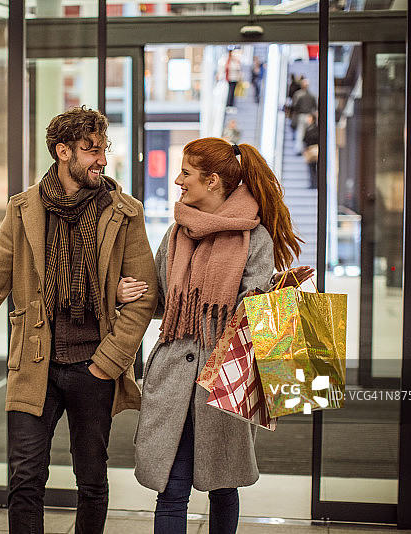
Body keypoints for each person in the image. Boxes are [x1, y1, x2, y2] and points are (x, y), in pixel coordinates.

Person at [0, 106, 157, 534]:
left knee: (92, 482)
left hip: (94, 366)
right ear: (63, 151)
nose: (101, 159)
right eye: (91, 150)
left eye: (103, 149)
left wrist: (111, 360)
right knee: (25, 480)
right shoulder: (24, 209)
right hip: (35, 364)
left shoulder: (124, 212)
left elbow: (144, 296)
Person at [130, 138, 306, 534]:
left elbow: (250, 314)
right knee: (172, 489)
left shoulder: (253, 239)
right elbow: (162, 303)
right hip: (173, 378)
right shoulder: (176, 234)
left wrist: (271, 297)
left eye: (186, 174)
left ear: (211, 181)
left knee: (223, 487)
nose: (178, 180)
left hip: (223, 384)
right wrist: (133, 292)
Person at [291, 78, 318, 155]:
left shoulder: (298, 94)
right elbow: (315, 108)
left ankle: (299, 149)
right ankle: (302, 149)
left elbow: (295, 106)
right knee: (304, 133)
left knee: (300, 133)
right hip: (308, 117)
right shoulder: (311, 96)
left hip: (302, 116)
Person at [302, 112, 320, 189]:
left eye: (309, 118)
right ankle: (313, 183)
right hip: (309, 150)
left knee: (315, 168)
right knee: (311, 168)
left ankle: (316, 183)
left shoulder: (315, 129)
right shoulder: (307, 128)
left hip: (314, 149)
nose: (307, 119)